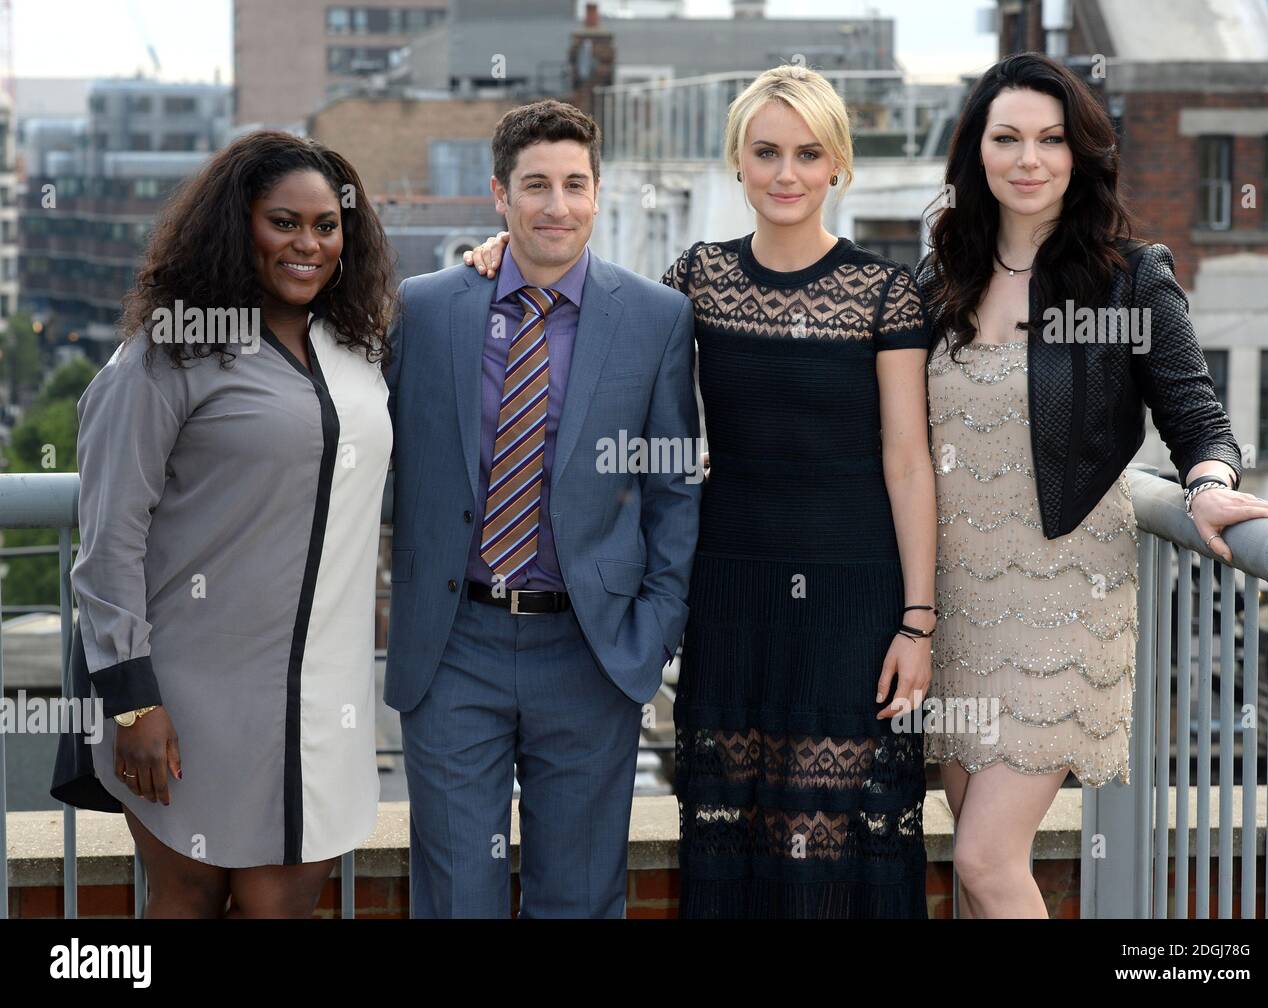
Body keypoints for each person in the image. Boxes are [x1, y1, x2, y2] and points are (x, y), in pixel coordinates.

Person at [467, 65, 936, 918]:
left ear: (838, 164)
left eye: (806, 153)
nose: (785, 173)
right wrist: (506, 253)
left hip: (853, 600)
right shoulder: (698, 279)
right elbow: (597, 310)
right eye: (766, 153)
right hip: (727, 593)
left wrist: (918, 620)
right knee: (732, 830)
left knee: (839, 836)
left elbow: (908, 463)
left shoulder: (885, 293)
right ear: (739, 162)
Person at [917, 51, 1268, 918]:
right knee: (973, 849)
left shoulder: (1129, 276)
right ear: (976, 150)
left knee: (984, 858)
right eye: (1006, 137)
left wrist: (1207, 483)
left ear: (1081, 154)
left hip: (1064, 596)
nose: (1029, 159)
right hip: (955, 601)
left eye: (1051, 139)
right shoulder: (944, 280)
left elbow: (1197, 416)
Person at [52, 130, 395, 917]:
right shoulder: (164, 355)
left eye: (326, 225)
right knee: (187, 903)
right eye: (284, 222)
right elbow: (109, 538)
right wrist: (133, 701)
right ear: (236, 227)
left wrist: (491, 256)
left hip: (321, 700)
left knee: (283, 907)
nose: (307, 244)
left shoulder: (358, 347)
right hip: (185, 694)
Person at [386, 99, 700, 918]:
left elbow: (673, 487)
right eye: (535, 186)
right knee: (458, 896)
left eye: (573, 184)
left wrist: (655, 626)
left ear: (598, 193)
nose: (555, 206)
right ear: (500, 195)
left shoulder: (657, 319)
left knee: (581, 896)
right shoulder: (425, 308)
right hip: (455, 645)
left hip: (591, 650)